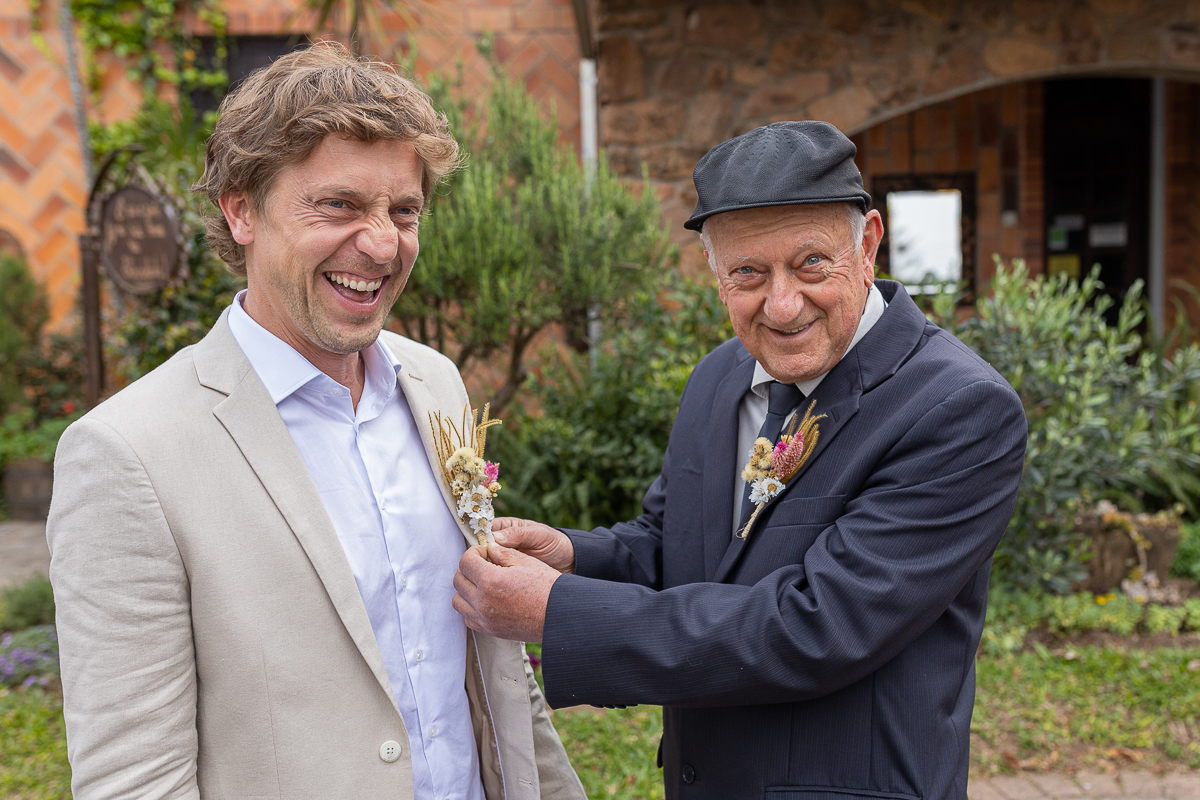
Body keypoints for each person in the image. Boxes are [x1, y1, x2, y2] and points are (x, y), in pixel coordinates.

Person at [47, 43, 584, 800]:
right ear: (241, 210)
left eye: (404, 211)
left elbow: (491, 675)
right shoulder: (128, 453)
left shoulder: (435, 385)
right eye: (338, 205)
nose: (382, 243)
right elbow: (132, 777)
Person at [452, 120, 1028, 800]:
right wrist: (574, 557)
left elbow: (814, 628)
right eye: (748, 273)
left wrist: (560, 612)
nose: (782, 306)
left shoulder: (959, 409)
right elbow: (679, 548)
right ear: (714, 271)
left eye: (811, 263)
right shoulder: (720, 378)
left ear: (868, 243)